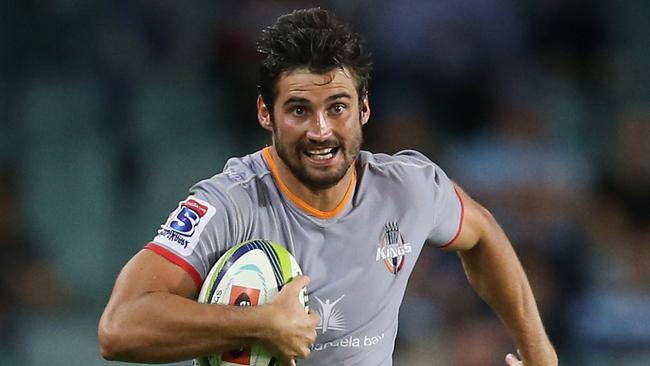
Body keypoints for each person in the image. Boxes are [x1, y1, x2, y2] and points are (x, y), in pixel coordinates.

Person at [98, 8, 558, 366]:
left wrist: (539, 352)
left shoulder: (408, 189)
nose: (321, 131)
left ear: (364, 109)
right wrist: (259, 324)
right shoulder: (228, 205)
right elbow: (119, 327)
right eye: (299, 110)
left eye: (337, 107)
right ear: (265, 113)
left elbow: (483, 234)